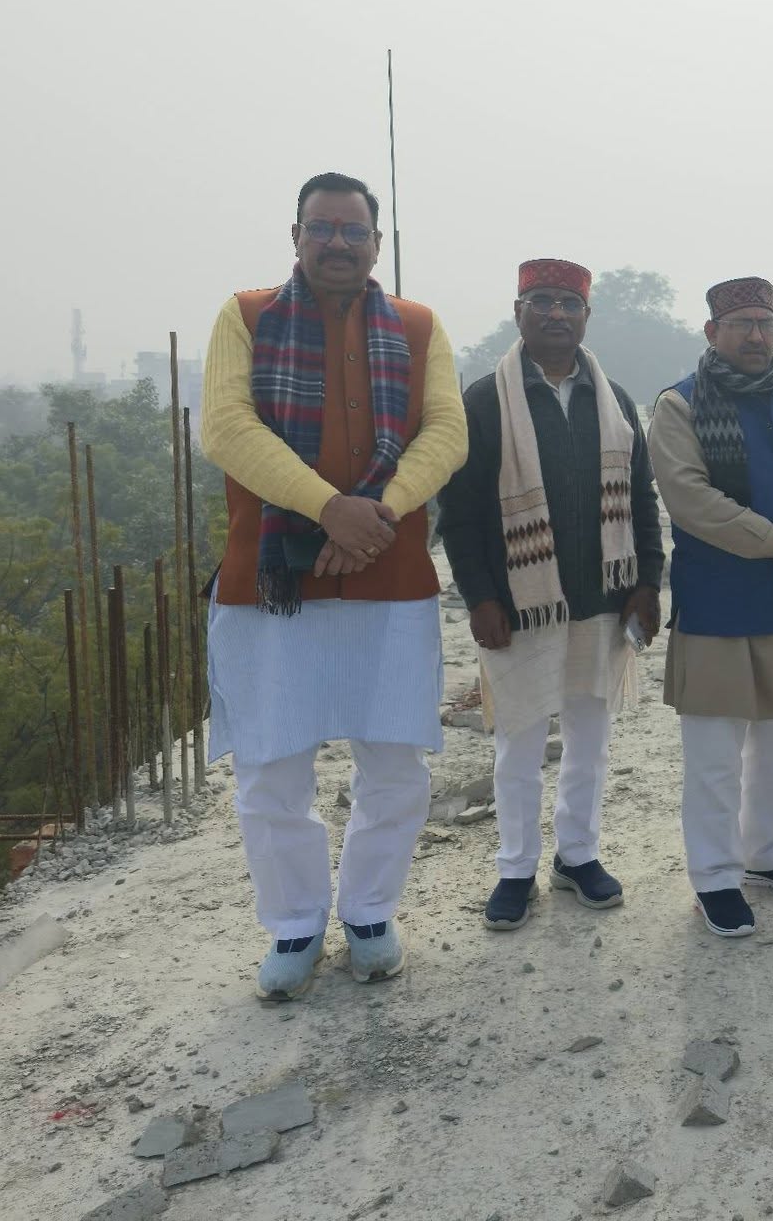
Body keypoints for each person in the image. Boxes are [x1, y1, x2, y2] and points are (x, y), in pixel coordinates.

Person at [201, 172, 467, 999]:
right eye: (322, 228)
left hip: (388, 571)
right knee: (272, 766)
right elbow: (227, 428)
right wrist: (327, 509)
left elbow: (446, 431)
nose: (339, 243)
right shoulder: (246, 317)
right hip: (274, 579)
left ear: (376, 244)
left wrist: (375, 514)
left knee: (395, 762)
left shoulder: (418, 326)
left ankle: (371, 912)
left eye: (354, 231)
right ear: (296, 237)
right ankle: (293, 924)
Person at [436, 260, 664, 930]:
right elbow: (460, 514)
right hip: (519, 606)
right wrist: (480, 596)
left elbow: (641, 499)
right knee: (519, 745)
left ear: (587, 316)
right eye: (541, 300)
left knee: (589, 742)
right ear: (519, 312)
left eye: (569, 302)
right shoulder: (486, 400)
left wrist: (648, 581)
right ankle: (515, 868)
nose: (556, 313)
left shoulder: (614, 400)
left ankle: (578, 857)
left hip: (603, 598)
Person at [645, 276, 773, 938]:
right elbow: (688, 497)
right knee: (714, 752)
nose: (756, 335)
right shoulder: (679, 405)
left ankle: (766, 853)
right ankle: (715, 876)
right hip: (720, 599)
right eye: (742, 324)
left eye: (766, 323)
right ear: (713, 332)